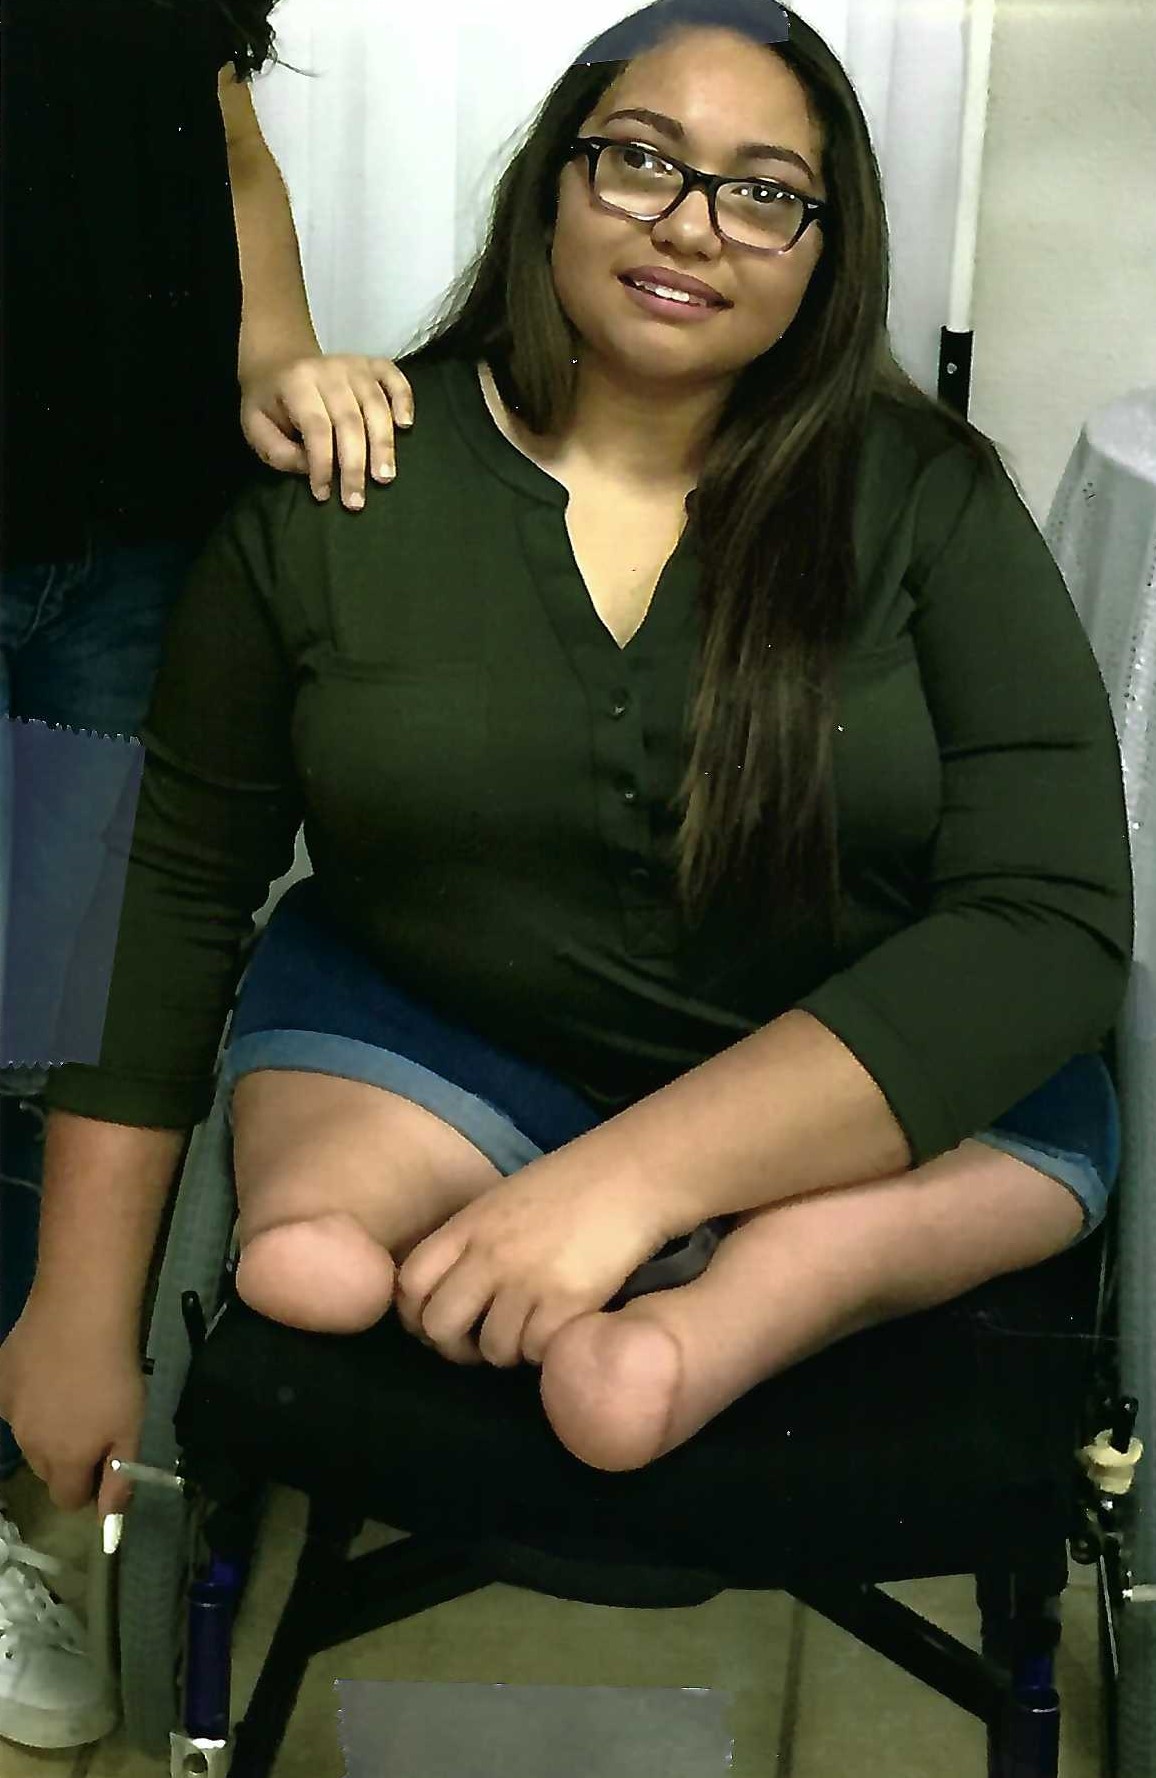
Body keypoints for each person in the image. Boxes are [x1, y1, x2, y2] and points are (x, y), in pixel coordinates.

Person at [0, 0, 1131, 1572]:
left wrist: (625, 1183)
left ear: (827, 251)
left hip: (855, 1069)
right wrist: (73, 1305)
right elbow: (173, 886)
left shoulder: (929, 497)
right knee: (308, 1257)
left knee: (1007, 1132)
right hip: (448, 1035)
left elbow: (1054, 918)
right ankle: (623, 1247)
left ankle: (761, 1280)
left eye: (765, 192)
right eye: (641, 161)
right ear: (553, 184)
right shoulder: (350, 485)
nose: (692, 225)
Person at [0, 0, 415, 1748]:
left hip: (119, 552)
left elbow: (224, 137)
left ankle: (22, 1497)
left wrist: (276, 358)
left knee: (50, 1038)